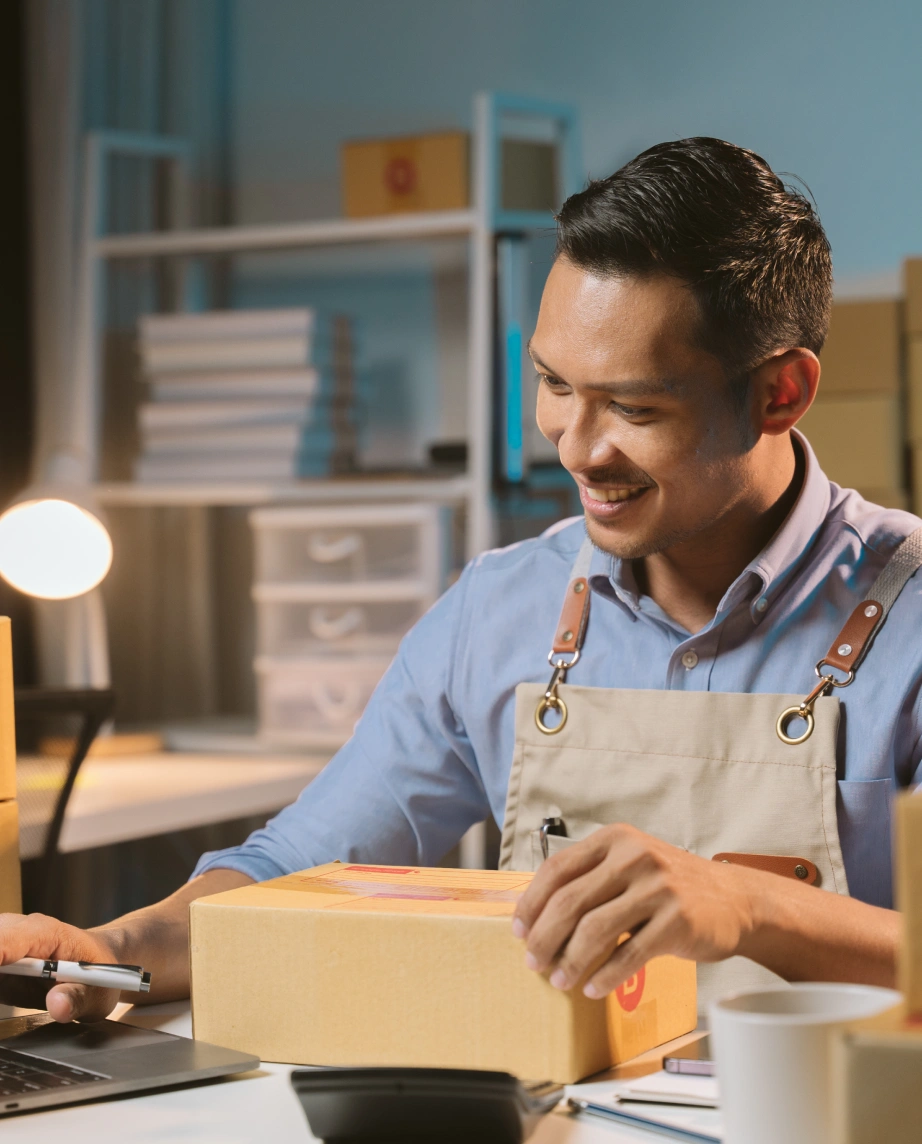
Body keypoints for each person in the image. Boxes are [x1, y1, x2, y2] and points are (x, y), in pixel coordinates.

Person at [2, 137, 917, 1023]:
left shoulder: (909, 618)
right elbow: (303, 864)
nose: (577, 447)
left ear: (781, 393)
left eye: (635, 407)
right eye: (555, 384)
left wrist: (747, 906)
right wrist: (108, 949)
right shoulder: (500, 609)